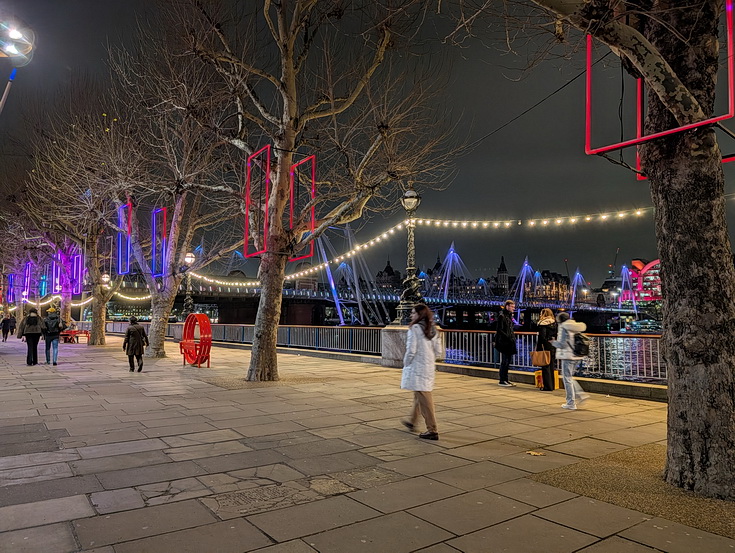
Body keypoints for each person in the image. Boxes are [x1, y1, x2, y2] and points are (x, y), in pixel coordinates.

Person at [400, 303, 444, 440]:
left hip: (418, 366)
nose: (411, 315)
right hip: (428, 366)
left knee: (424, 397)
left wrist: (406, 363)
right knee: (419, 394)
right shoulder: (433, 329)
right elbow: (439, 351)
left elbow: (411, 350)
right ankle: (412, 421)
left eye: (413, 313)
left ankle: (432, 429)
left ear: (420, 315)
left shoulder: (415, 328)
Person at [553, 312, 590, 410]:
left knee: (567, 379)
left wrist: (553, 343)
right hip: (576, 355)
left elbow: (562, 344)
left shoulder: (563, 327)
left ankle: (571, 403)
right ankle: (580, 395)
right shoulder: (574, 326)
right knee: (569, 377)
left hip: (567, 356)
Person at [494, 299, 517, 387]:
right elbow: (499, 330)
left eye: (514, 307)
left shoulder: (509, 316)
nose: (513, 308)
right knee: (505, 361)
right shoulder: (502, 316)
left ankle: (506, 379)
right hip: (505, 342)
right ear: (507, 306)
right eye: (512, 307)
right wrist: (508, 337)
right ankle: (502, 380)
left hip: (509, 341)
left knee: (508, 361)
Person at [536, 308, 558, 391]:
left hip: (545, 346)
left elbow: (542, 337)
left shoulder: (543, 324)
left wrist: (540, 345)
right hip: (552, 345)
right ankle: (552, 385)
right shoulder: (554, 323)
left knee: (545, 366)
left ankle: (547, 386)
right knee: (551, 365)